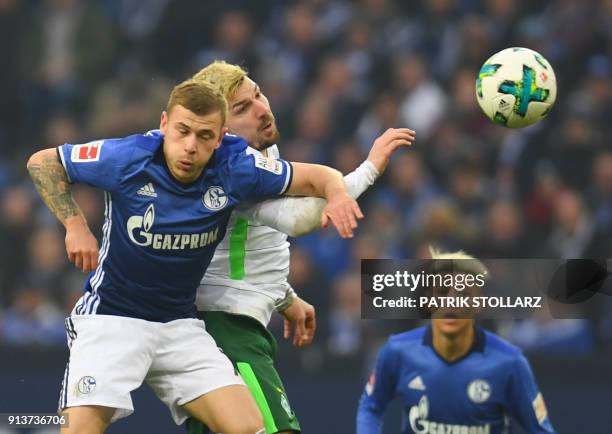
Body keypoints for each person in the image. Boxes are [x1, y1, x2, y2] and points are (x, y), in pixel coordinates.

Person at [26, 78, 364, 434]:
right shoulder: (127, 156)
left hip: (178, 325)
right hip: (113, 318)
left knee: (249, 427)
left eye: (204, 136)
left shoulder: (235, 166)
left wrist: (338, 195)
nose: (189, 147)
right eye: (182, 131)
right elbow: (43, 162)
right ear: (164, 125)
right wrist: (75, 224)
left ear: (220, 139)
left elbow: (318, 177)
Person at [186, 60, 416, 434]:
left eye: (258, 94)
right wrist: (371, 168)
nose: (262, 108)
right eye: (243, 109)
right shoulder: (227, 167)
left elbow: (241, 244)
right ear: (220, 130)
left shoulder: (256, 156)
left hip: (228, 328)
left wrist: (283, 295)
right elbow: (300, 219)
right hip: (224, 333)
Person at [356, 249, 556, 434]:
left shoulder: (509, 363)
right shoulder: (398, 351)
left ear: (478, 303)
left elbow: (541, 430)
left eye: (462, 294)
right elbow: (371, 405)